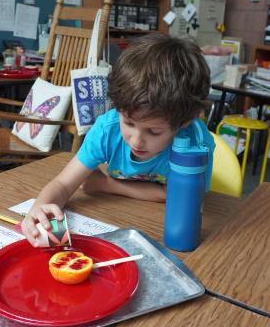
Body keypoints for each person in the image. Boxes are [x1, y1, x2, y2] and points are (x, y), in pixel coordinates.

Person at [18, 34, 214, 245]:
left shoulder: (194, 146)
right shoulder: (107, 129)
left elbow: (182, 201)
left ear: (184, 122)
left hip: (161, 226)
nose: (137, 141)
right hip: (114, 214)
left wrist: (105, 185)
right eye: (128, 123)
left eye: (154, 132)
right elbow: (63, 184)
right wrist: (39, 208)